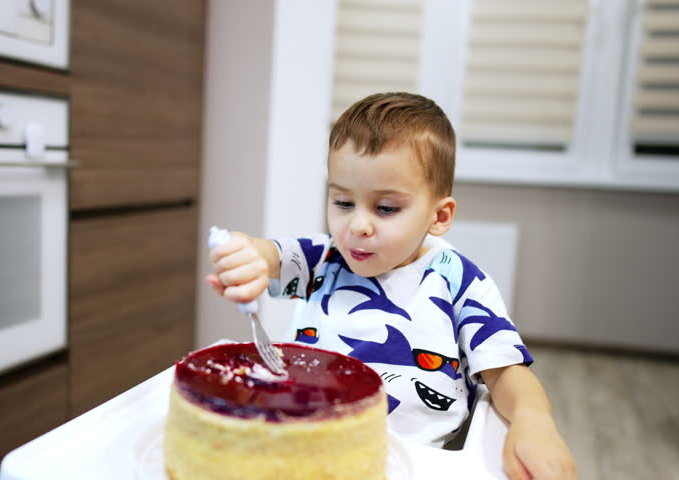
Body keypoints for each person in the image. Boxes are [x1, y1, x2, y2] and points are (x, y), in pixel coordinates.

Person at [206, 92, 576, 479]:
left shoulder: (458, 281)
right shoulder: (325, 257)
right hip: (305, 447)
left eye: (386, 208)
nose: (358, 226)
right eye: (343, 203)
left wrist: (534, 422)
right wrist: (248, 257)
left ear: (439, 216)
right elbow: (271, 255)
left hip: (415, 463)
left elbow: (506, 373)